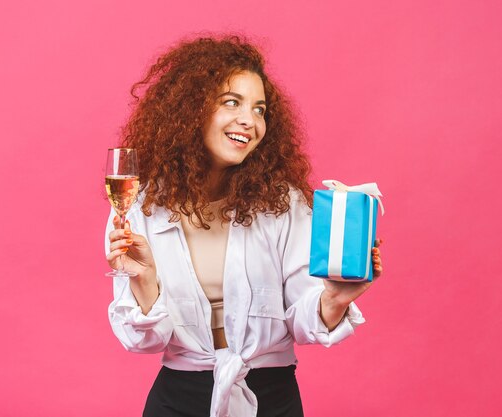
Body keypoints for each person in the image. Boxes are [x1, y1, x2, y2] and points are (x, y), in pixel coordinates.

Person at [105, 35, 384, 417]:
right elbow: (143, 342)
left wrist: (333, 299)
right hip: (178, 400)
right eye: (231, 102)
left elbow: (303, 325)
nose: (248, 121)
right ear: (190, 110)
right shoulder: (139, 205)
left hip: (273, 399)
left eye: (259, 109)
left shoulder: (285, 204)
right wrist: (144, 279)